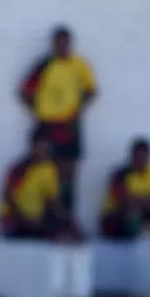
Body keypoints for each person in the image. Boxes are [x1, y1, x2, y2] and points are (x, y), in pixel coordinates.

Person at [19, 25, 97, 212]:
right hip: (47, 124)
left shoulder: (79, 64)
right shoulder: (43, 65)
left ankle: (68, 215)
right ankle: (48, 216)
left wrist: (78, 109)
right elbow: (25, 92)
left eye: (65, 42)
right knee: (45, 168)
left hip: (70, 123)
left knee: (69, 171)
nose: (62, 46)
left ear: (70, 43)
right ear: (53, 44)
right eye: (58, 42)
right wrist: (38, 111)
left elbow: (91, 90)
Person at [0, 125, 82, 242]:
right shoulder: (19, 169)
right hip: (16, 219)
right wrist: (26, 219)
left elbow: (51, 201)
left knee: (69, 229)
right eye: (38, 146)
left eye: (45, 146)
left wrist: (66, 219)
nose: (42, 150)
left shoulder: (49, 169)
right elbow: (7, 197)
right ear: (32, 146)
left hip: (37, 219)